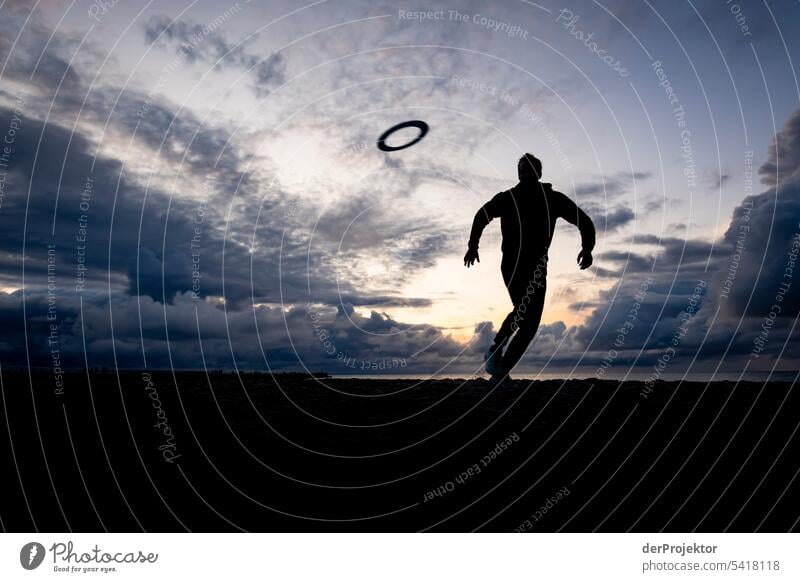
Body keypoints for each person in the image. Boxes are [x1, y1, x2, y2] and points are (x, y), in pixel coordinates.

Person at [464, 154, 595, 382]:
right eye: (521, 168)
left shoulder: (552, 199)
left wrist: (587, 248)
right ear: (518, 174)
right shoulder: (509, 198)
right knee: (523, 309)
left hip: (538, 269)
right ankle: (495, 350)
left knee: (529, 326)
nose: (525, 172)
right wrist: (472, 245)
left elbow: (583, 220)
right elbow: (482, 215)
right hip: (512, 265)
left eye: (530, 168)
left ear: (539, 173)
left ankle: (500, 371)